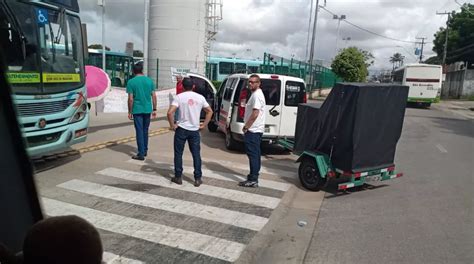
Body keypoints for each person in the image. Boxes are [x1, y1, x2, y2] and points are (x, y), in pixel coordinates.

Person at [167, 78, 213, 187]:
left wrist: (172, 125)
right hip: (194, 130)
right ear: (193, 87)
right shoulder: (200, 98)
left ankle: (178, 176)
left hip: (181, 129)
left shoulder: (179, 97)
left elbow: (170, 113)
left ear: (182, 86)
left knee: (178, 153)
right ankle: (197, 178)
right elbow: (209, 111)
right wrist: (204, 124)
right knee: (196, 154)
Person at [239, 74, 266, 188]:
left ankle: (253, 179)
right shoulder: (255, 94)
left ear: (259, 83)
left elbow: (255, 113)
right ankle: (253, 176)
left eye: (253, 82)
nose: (250, 84)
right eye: (249, 82)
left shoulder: (257, 95)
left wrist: (246, 127)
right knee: (256, 154)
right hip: (255, 129)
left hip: (253, 130)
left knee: (253, 155)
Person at [127, 62, 157, 160]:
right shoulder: (149, 81)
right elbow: (154, 96)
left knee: (139, 131)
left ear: (133, 71)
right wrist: (154, 108)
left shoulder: (131, 82)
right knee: (145, 130)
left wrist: (130, 111)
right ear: (142, 70)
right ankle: (145, 150)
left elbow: (131, 99)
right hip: (147, 109)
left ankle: (140, 153)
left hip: (137, 109)